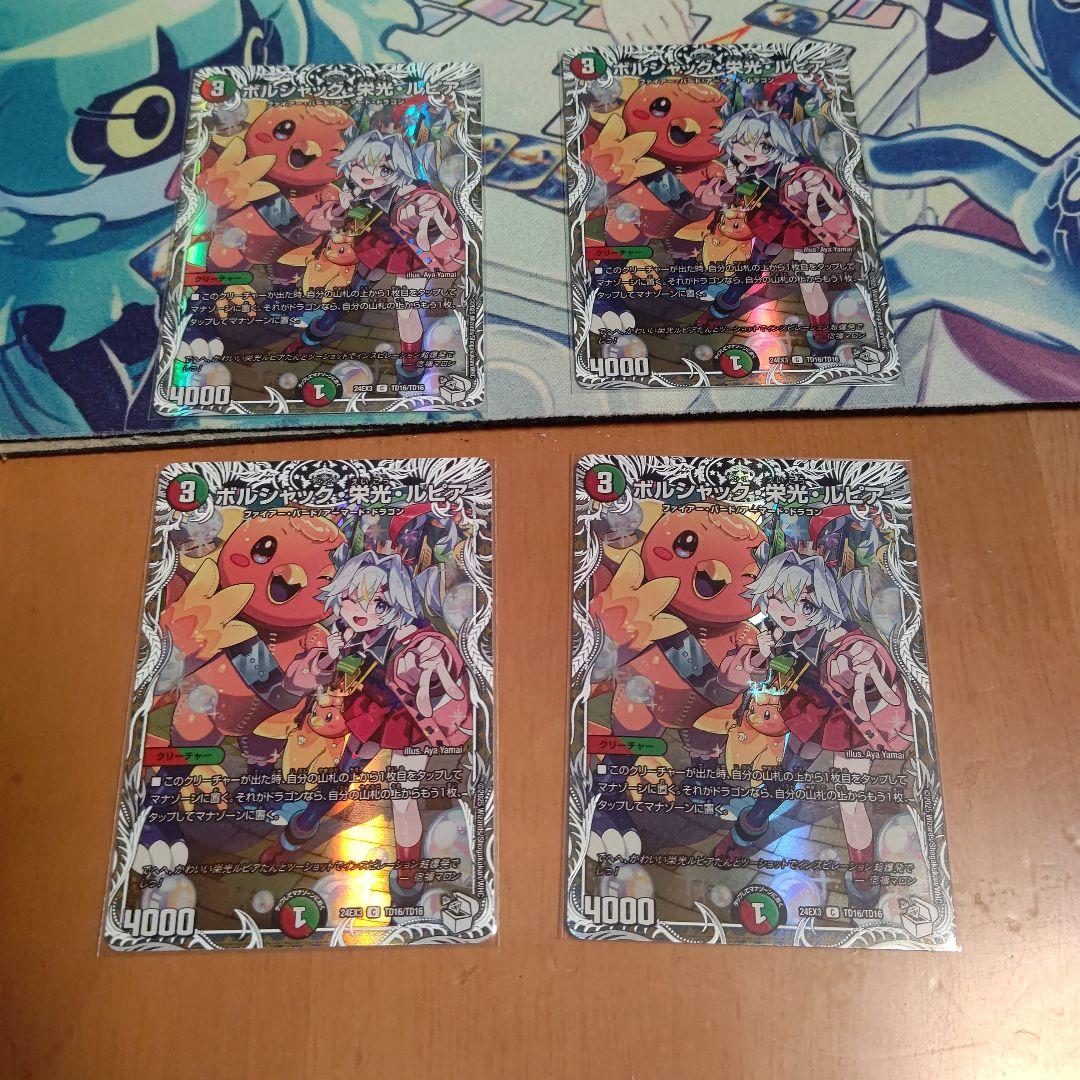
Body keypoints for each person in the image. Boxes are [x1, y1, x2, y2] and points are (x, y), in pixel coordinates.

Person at [261, 551, 470, 899]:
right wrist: (328, 657)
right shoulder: (344, 633)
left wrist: (435, 662)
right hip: (371, 712)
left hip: (410, 722)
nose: (363, 611)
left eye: (379, 604)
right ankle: (296, 834)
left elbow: (440, 657)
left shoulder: (414, 637)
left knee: (402, 796)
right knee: (342, 776)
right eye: (351, 599)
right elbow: (296, 683)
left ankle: (407, 868)